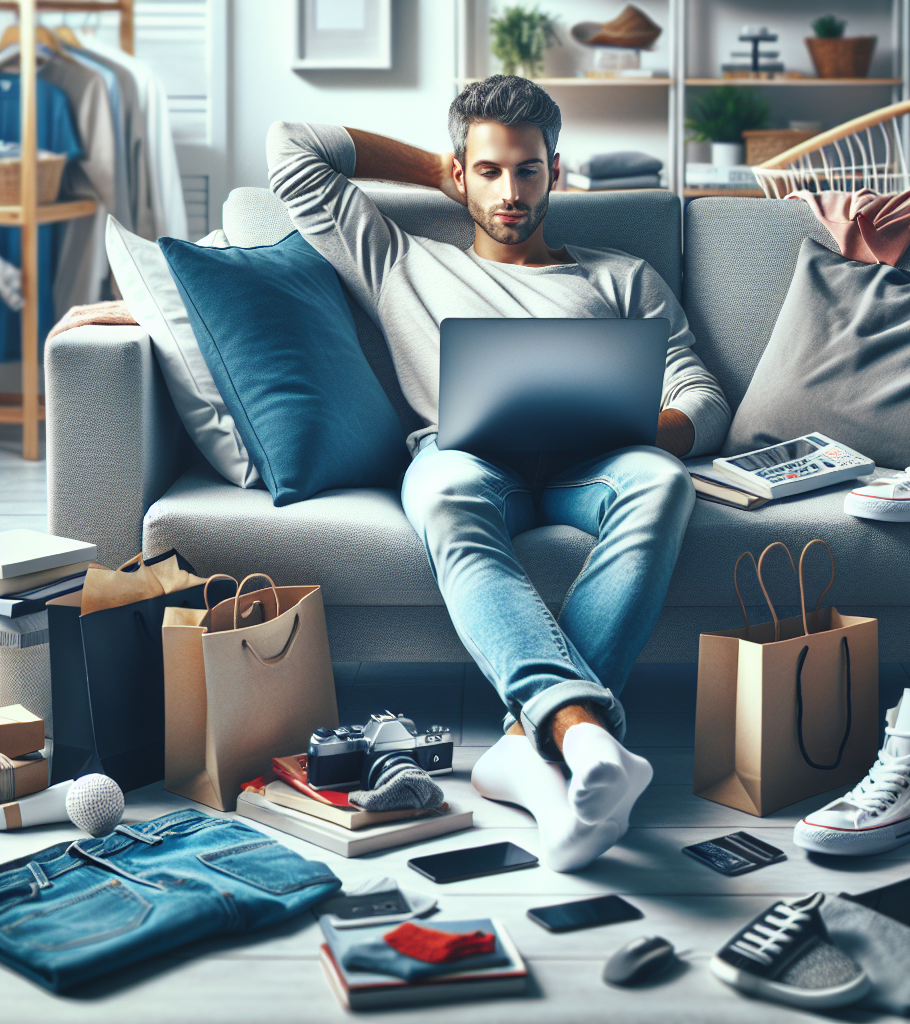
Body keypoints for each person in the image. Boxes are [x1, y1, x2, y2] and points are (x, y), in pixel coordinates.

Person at [267, 75, 731, 871]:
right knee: (443, 492)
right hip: (468, 459)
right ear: (461, 173)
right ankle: (581, 738)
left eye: (527, 169)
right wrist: (440, 164)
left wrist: (634, 424)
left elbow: (702, 395)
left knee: (663, 481)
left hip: (598, 461)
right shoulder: (399, 259)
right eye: (489, 171)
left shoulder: (622, 276)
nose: (510, 192)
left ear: (557, 169)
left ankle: (527, 741)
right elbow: (293, 150)